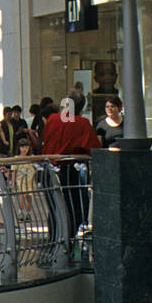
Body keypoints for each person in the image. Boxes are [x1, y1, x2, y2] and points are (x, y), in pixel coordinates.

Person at [40, 97, 100, 255]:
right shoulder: (82, 123)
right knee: (76, 208)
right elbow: (93, 148)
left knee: (55, 208)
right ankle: (67, 241)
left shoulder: (53, 119)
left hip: (50, 169)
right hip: (70, 171)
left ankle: (55, 242)